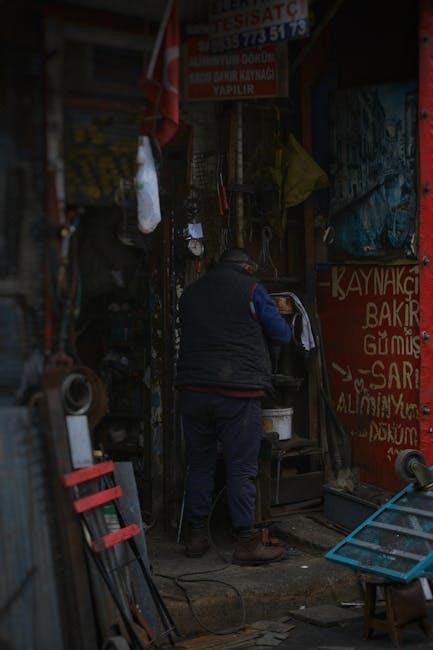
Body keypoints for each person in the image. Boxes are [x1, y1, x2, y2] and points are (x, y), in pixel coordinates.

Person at [176, 248, 292, 565]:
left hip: (193, 390)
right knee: (241, 468)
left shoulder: (190, 293)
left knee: (199, 464)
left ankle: (196, 537)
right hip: (238, 392)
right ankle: (245, 542)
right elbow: (282, 334)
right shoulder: (252, 289)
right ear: (247, 267)